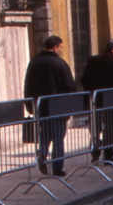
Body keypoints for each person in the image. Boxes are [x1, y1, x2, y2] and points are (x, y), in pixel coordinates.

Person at [23, 35, 77, 177]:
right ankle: (57, 167)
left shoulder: (33, 63)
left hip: (41, 106)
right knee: (58, 137)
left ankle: (42, 158)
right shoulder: (59, 64)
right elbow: (69, 86)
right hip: (57, 106)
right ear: (55, 47)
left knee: (45, 136)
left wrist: (29, 104)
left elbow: (27, 84)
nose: (61, 50)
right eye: (61, 47)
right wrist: (71, 105)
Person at [81, 39, 113, 163]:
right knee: (110, 128)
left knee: (95, 128)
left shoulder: (92, 61)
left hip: (94, 100)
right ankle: (108, 154)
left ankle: (95, 151)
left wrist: (89, 94)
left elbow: (84, 79)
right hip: (110, 101)